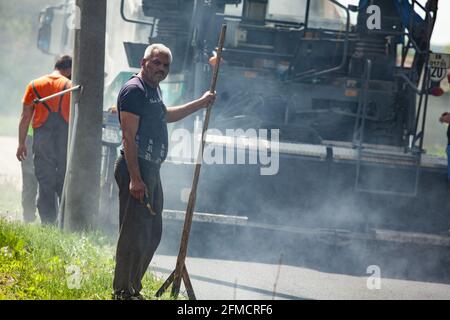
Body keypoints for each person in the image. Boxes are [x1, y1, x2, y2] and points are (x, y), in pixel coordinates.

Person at [112, 44, 215, 300]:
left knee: (151, 233)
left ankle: (133, 287)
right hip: (136, 169)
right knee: (134, 232)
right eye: (156, 63)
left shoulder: (153, 90)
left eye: (166, 65)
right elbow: (128, 137)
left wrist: (201, 103)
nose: (161, 69)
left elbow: (165, 115)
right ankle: (122, 291)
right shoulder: (135, 91)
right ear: (143, 61)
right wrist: (135, 179)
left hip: (151, 169)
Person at [16, 55, 72, 224]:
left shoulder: (34, 85)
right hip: (63, 142)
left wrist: (21, 143)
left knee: (44, 180)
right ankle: (63, 222)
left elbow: (25, 117)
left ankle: (47, 223)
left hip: (41, 141)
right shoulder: (70, 86)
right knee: (63, 179)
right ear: (69, 70)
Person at [20, 125, 38, 223]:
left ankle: (51, 219)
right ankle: (28, 217)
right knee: (29, 178)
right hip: (32, 135)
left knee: (29, 180)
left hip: (49, 135)